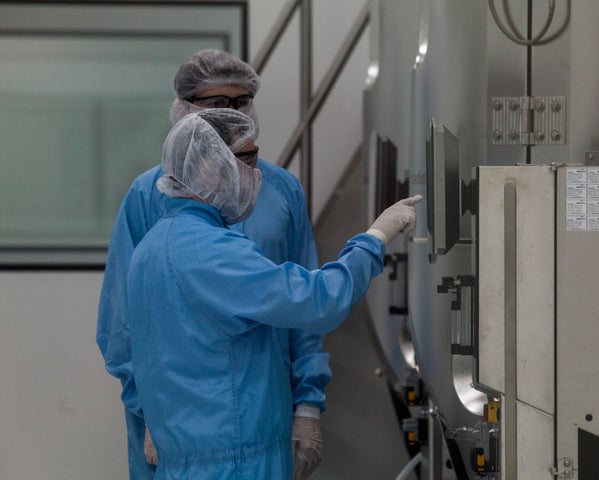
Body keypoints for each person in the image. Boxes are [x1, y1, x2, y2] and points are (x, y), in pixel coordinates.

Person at [126, 108, 421, 479]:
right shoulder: (211, 252)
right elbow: (318, 300)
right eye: (248, 160)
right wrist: (375, 239)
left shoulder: (152, 247)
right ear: (207, 167)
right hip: (234, 466)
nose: (258, 173)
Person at [97, 49, 328, 480]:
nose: (234, 113)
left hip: (265, 414)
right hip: (180, 426)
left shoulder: (280, 191)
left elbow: (304, 300)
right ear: (184, 111)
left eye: (242, 102)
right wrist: (147, 411)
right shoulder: (151, 196)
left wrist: (308, 403)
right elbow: (123, 319)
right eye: (217, 104)